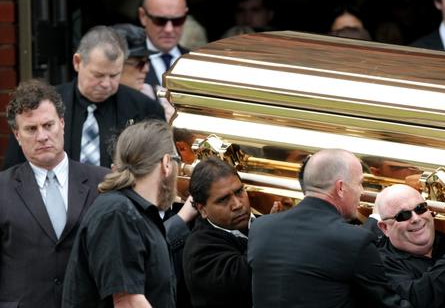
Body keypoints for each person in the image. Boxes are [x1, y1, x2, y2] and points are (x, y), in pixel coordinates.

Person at [248, 148, 411, 308]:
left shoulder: (261, 227)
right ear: (340, 188)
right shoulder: (354, 240)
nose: (361, 191)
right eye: (360, 183)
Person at [0, 80, 109, 308]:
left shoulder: (103, 182)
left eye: (48, 125)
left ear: (61, 123)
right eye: (31, 129)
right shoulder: (3, 189)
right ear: (17, 135)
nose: (42, 136)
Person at [3, 26, 165, 170]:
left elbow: (158, 170)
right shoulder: (45, 106)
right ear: (77, 62)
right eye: (98, 75)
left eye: (114, 75)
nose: (106, 84)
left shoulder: (145, 109)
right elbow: (14, 171)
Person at [62, 119, 184, 307]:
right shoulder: (118, 213)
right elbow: (128, 302)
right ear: (166, 163)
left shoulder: (130, 211)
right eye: (177, 161)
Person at [183, 157, 255, 308]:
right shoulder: (199, 250)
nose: (237, 204)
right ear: (202, 209)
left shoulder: (257, 223)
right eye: (223, 200)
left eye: (239, 191)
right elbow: (246, 277)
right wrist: (272, 232)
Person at [112, 23, 175, 120]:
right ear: (116, 64)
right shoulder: (97, 97)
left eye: (148, 61)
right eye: (140, 63)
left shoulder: (161, 97)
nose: (146, 69)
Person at [139, 0, 189, 88]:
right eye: (160, 21)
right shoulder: (126, 63)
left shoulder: (198, 63)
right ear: (143, 16)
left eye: (177, 21)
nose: (169, 29)